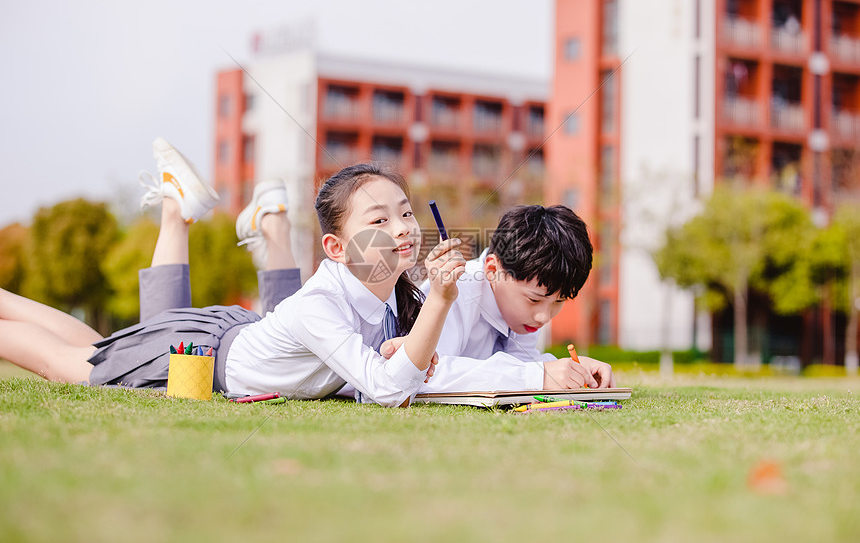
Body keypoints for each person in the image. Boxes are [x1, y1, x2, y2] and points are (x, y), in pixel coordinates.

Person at [0, 139, 465, 407]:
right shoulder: (319, 305)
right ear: (336, 249)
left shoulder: (391, 297)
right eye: (379, 220)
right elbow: (387, 392)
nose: (403, 228)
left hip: (226, 336)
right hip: (197, 358)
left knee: (95, 349)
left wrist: (399, 344)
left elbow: (379, 378)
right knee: (61, 363)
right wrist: (440, 304)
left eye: (405, 213)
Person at [406, 204, 615, 393]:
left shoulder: (524, 308)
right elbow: (425, 374)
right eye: (534, 300)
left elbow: (521, 363)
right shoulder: (456, 290)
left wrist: (574, 371)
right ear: (492, 269)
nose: (544, 316)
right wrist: (538, 375)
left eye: (558, 302)